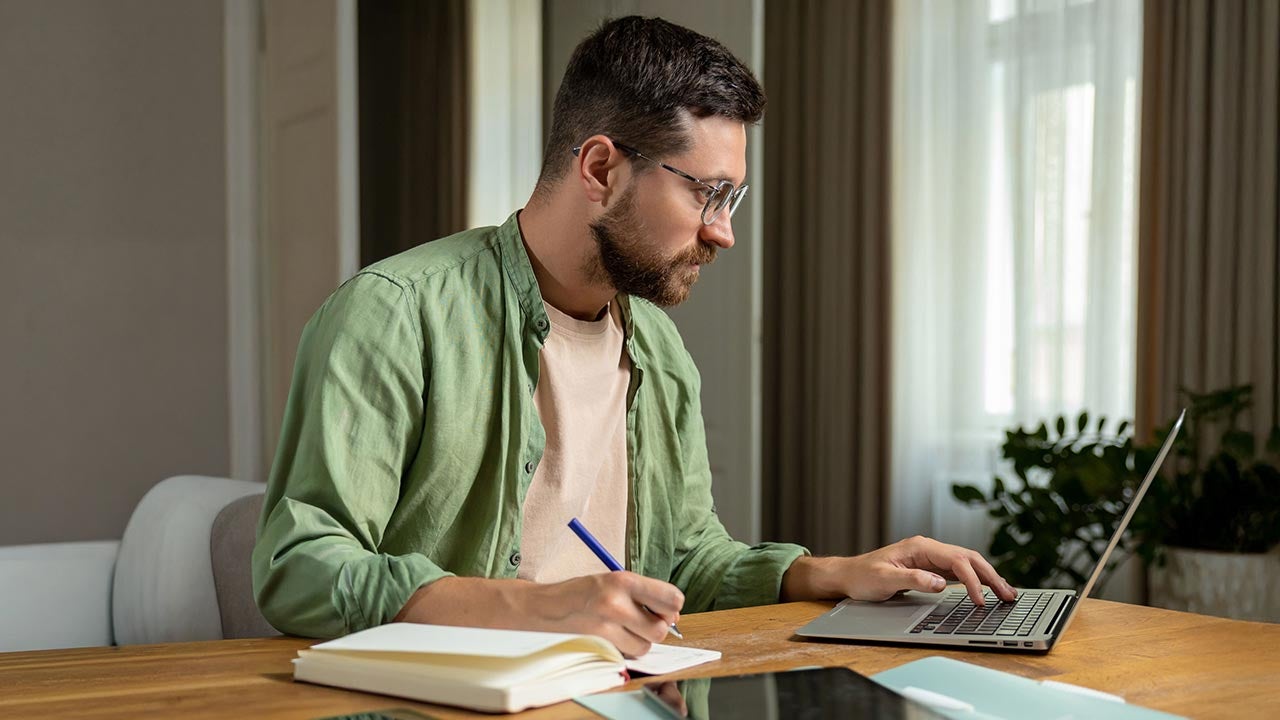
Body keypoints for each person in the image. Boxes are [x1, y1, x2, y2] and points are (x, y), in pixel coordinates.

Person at [252, 15, 1015, 658]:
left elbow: (688, 560)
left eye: (733, 197)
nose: (724, 233)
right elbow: (301, 568)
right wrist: (543, 607)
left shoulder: (656, 347)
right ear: (600, 168)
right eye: (707, 193)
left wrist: (836, 573)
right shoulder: (394, 313)